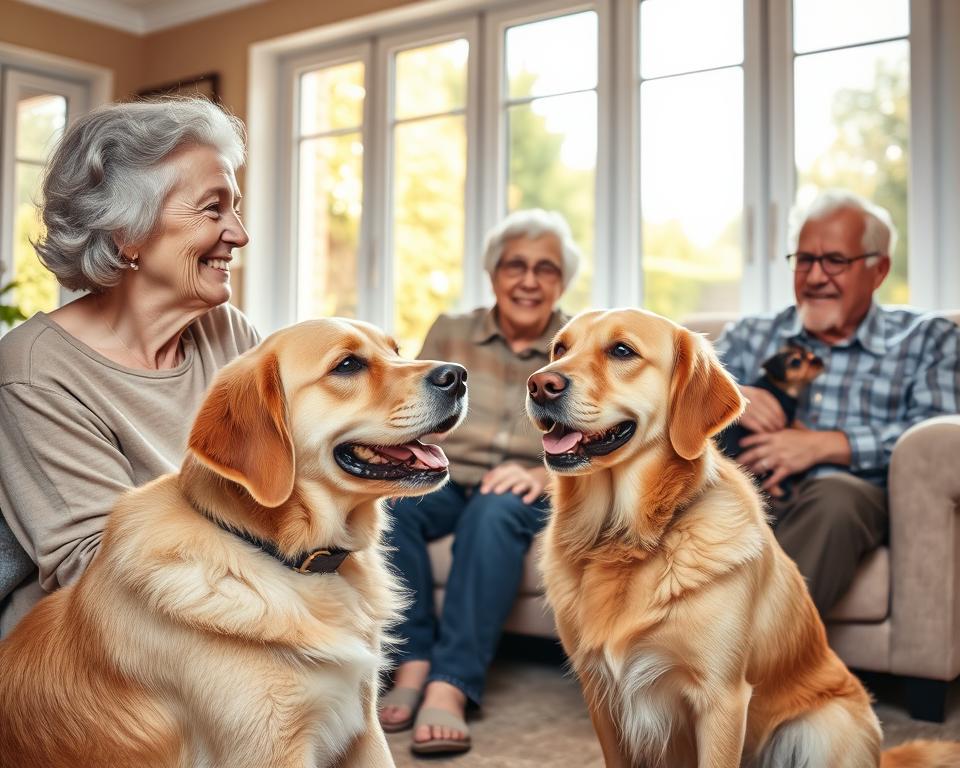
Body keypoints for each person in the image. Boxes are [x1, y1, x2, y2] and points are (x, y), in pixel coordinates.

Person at [0, 98, 258, 636]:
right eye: (213, 209)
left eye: (235, 207)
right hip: (105, 663)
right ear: (127, 234)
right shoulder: (35, 368)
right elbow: (100, 569)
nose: (238, 233)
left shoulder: (229, 333)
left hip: (236, 609)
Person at [378, 209, 581, 754]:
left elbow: (601, 437)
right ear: (493, 275)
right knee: (392, 505)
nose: (530, 280)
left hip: (524, 485)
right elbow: (419, 406)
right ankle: (412, 662)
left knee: (492, 513)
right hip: (447, 471)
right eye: (516, 265)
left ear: (562, 283)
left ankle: (452, 685)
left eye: (546, 269)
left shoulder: (578, 343)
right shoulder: (452, 330)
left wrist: (543, 474)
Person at [714, 189, 960, 614]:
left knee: (835, 497)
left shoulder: (927, 338)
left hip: (849, 497)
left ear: (878, 270)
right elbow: (672, 404)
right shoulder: (750, 334)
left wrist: (826, 445)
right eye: (804, 260)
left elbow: (937, 436)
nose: (814, 277)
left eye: (835, 261)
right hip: (747, 490)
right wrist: (729, 396)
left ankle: (752, 665)